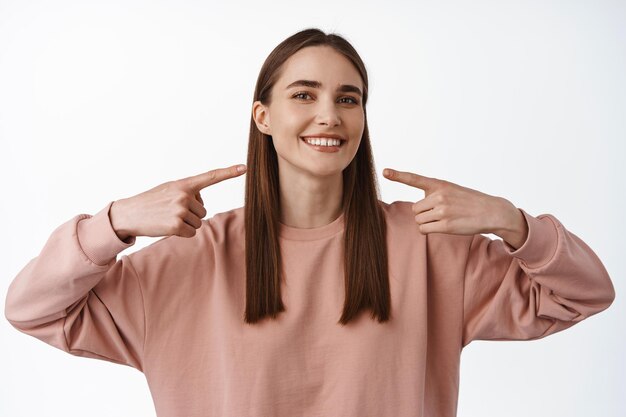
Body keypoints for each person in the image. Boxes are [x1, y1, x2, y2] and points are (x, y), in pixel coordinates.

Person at [4, 28, 615, 417]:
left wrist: (514, 224)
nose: (330, 114)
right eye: (304, 94)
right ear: (262, 115)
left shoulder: (429, 249)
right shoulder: (190, 259)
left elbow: (585, 293)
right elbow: (32, 308)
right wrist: (114, 223)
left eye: (349, 98)